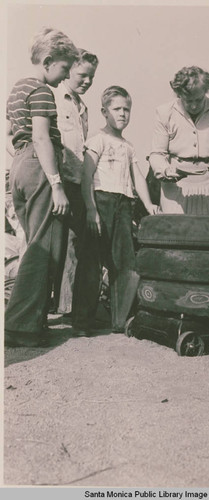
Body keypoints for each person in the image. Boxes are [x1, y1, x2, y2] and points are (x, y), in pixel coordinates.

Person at [5, 27, 78, 347]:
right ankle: (21, 327)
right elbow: (40, 137)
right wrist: (57, 184)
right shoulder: (42, 91)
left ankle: (29, 320)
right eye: (64, 68)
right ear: (48, 61)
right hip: (39, 165)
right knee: (41, 249)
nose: (65, 77)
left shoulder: (18, 88)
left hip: (19, 166)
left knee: (34, 245)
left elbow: (11, 133)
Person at [72, 86, 158, 336]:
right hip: (101, 201)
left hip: (124, 205)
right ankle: (81, 322)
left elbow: (138, 178)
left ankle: (121, 321)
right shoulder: (97, 140)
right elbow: (86, 176)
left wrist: (149, 203)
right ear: (104, 112)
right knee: (91, 262)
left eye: (127, 109)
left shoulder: (129, 146)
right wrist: (91, 209)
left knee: (125, 262)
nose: (123, 114)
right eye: (117, 109)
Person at [149, 66, 209, 215]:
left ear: (206, 91)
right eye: (188, 100)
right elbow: (157, 153)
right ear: (179, 94)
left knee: (208, 232)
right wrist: (165, 169)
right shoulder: (164, 113)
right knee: (176, 233)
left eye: (199, 100)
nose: (194, 105)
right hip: (176, 185)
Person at [52, 48, 99, 315]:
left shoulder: (83, 107)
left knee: (73, 245)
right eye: (83, 75)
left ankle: (66, 307)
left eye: (92, 77)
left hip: (76, 181)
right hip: (56, 182)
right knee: (51, 247)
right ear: (69, 69)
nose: (87, 82)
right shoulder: (54, 97)